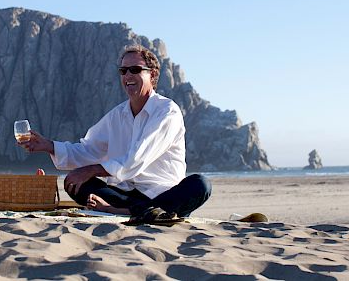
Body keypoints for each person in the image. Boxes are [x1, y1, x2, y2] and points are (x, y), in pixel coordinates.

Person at [21, 45, 212, 224]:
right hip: (123, 195)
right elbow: (89, 149)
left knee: (200, 184)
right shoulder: (116, 115)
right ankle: (138, 211)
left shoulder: (167, 111)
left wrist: (92, 170)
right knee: (75, 182)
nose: (128, 74)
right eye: (123, 71)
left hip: (162, 194)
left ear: (152, 74)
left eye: (135, 69)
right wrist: (49, 146)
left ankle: (125, 212)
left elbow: (136, 159)